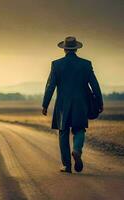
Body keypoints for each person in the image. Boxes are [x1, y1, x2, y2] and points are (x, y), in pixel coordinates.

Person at [42, 36, 103, 173]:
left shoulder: (56, 64)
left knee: (63, 133)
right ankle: (76, 149)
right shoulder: (86, 64)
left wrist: (45, 104)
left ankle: (66, 165)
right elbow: (95, 85)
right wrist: (99, 102)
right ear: (76, 48)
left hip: (63, 104)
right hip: (81, 104)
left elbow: (50, 86)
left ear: (64, 49)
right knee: (79, 129)